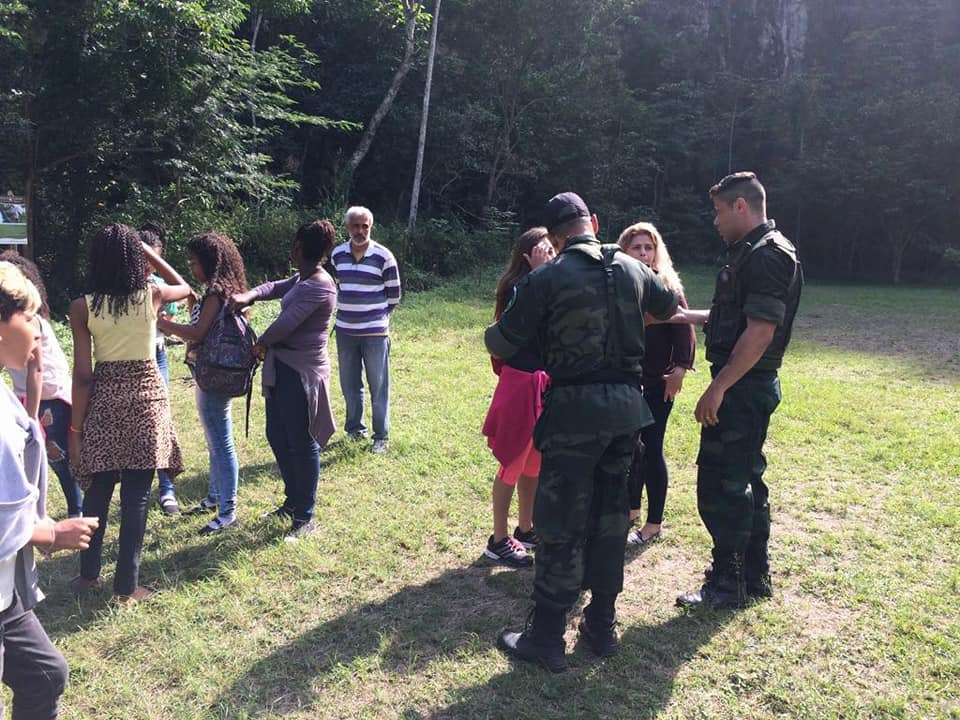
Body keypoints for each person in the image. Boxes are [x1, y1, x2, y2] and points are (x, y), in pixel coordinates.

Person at [485, 192, 679, 672]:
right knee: (613, 516)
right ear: (593, 222)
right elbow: (668, 302)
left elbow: (501, 340)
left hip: (573, 412)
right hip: (626, 413)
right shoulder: (634, 270)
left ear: (553, 237)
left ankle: (547, 635)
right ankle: (601, 623)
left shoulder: (548, 277)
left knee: (560, 522)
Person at [672, 172, 803, 609]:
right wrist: (680, 318)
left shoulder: (767, 255)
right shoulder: (752, 252)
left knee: (723, 485)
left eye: (719, 211)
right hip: (746, 384)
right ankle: (753, 576)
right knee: (747, 478)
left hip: (743, 387)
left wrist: (717, 388)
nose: (715, 220)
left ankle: (727, 585)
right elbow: (734, 315)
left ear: (741, 207)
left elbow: (760, 332)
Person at [69, 223, 191, 602]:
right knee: (137, 496)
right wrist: (149, 252)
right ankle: (127, 587)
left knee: (99, 489)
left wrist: (76, 429)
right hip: (146, 398)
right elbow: (184, 286)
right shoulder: (152, 295)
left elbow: (84, 374)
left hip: (104, 399)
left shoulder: (82, 307)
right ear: (136, 257)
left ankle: (88, 575)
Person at [1, 261, 99, 718]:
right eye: (29, 318)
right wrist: (50, 534)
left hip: (5, 594)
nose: (38, 329)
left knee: (46, 673)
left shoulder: (5, 391)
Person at [229, 220, 338, 542]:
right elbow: (276, 287)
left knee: (302, 442)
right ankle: (292, 502)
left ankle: (304, 516)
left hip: (301, 372)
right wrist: (249, 295)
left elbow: (285, 324)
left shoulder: (320, 285)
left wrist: (259, 344)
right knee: (277, 434)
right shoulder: (303, 278)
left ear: (299, 248)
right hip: (283, 368)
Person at [157, 232, 250, 535]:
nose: (192, 268)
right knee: (215, 440)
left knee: (221, 444)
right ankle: (213, 498)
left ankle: (227, 512)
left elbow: (197, 333)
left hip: (212, 376)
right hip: (217, 373)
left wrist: (159, 323)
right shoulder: (229, 289)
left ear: (209, 263)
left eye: (194, 262)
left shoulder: (216, 293)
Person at [615, 224, 696, 547]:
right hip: (625, 382)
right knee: (630, 448)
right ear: (626, 251)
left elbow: (686, 330)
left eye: (648, 247)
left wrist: (679, 369)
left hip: (658, 383)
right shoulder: (620, 285)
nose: (644, 253)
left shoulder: (667, 287)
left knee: (651, 448)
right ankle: (632, 510)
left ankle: (653, 524)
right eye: (637, 248)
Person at [481, 227, 555, 568]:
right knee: (512, 462)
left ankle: (526, 529)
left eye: (553, 250)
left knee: (533, 464)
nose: (552, 256)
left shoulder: (548, 283)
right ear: (527, 255)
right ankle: (497, 541)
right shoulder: (517, 288)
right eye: (544, 251)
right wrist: (540, 275)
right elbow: (520, 325)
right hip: (520, 384)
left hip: (540, 382)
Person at [0, 251, 84, 519]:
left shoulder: (35, 322)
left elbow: (37, 371)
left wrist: (32, 417)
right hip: (28, 399)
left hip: (48, 397)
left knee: (57, 458)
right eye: (26, 320)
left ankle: (75, 509)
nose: (35, 332)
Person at [331, 206, 401, 454]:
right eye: (355, 226)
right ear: (348, 227)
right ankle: (354, 430)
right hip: (345, 332)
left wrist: (376, 317)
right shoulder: (337, 255)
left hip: (375, 334)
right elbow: (338, 287)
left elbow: (394, 296)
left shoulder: (384, 257)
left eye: (365, 226)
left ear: (371, 227)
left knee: (378, 385)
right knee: (349, 384)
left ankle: (380, 436)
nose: (360, 231)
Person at [139, 221, 182, 516]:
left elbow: (182, 295)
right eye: (147, 260)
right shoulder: (120, 287)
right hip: (134, 363)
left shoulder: (160, 288)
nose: (152, 268)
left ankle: (167, 491)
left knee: (162, 424)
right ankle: (138, 489)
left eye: (157, 261)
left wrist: (164, 318)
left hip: (159, 355)